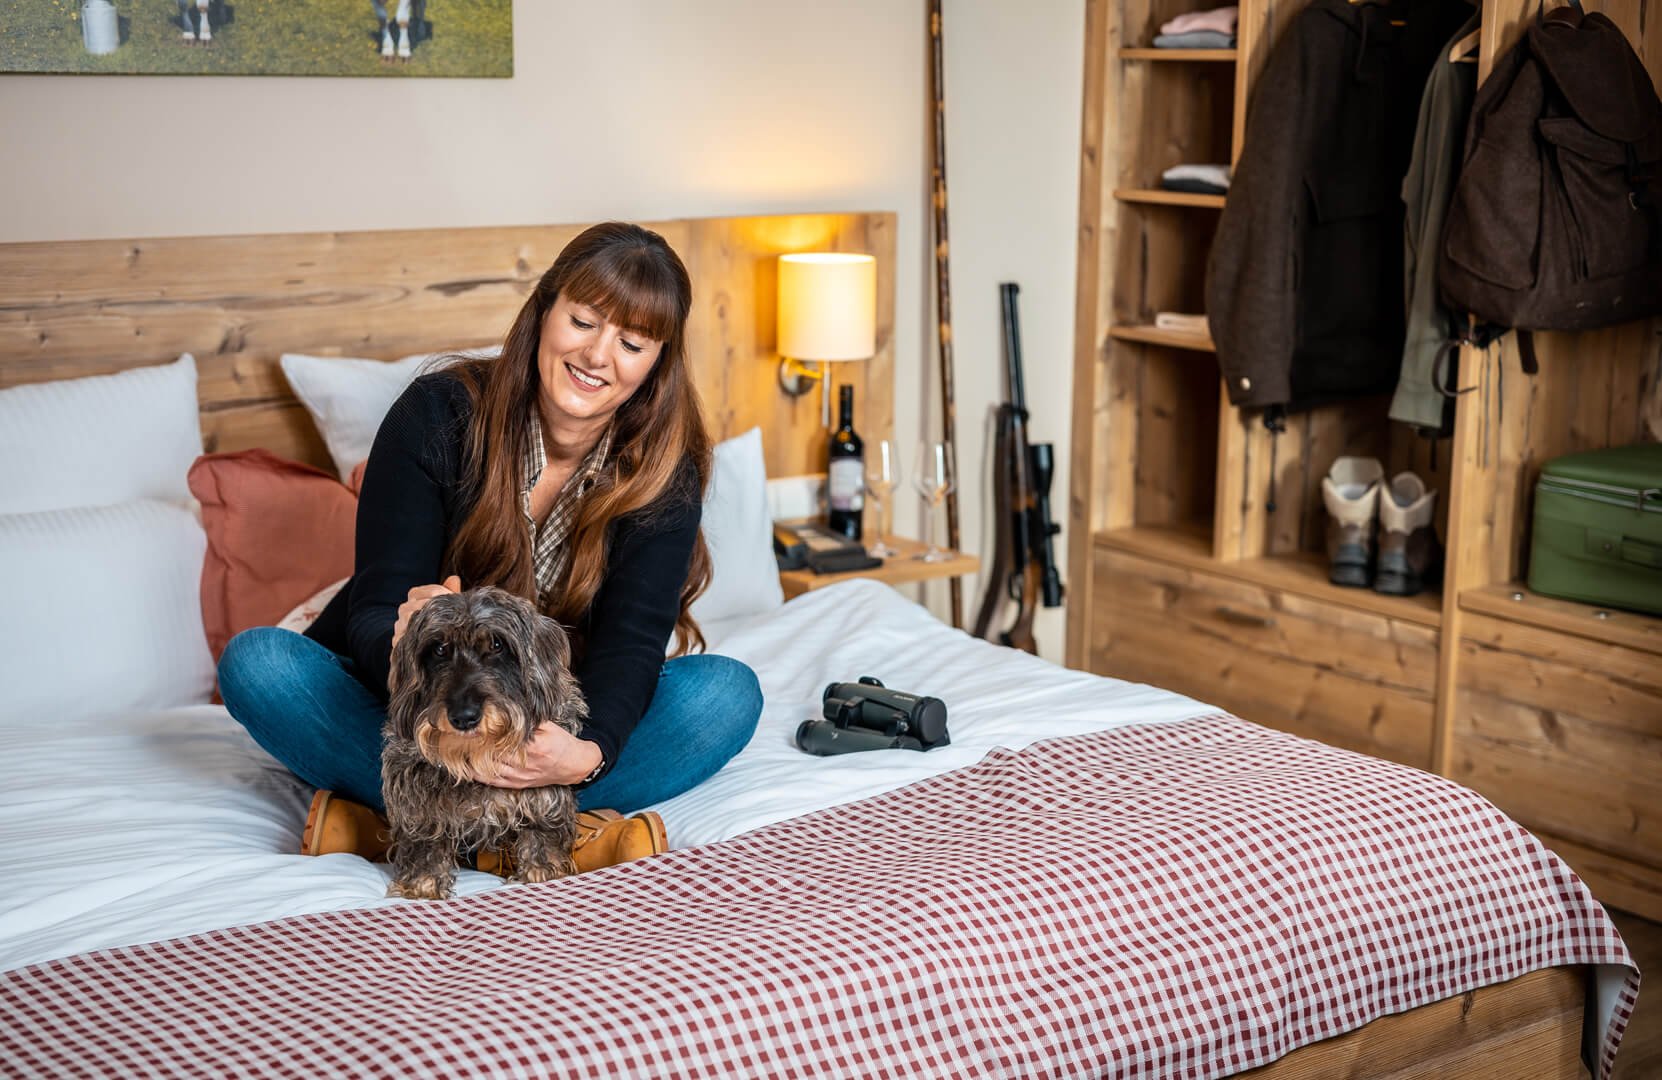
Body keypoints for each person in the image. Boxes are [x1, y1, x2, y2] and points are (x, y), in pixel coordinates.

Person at [218, 222, 764, 873]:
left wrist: (585, 755)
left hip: (552, 727)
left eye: (633, 342)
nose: (598, 356)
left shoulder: (663, 469)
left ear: (656, 365)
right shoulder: (437, 415)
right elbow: (372, 607)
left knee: (726, 694)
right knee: (260, 666)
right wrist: (401, 635)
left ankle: (395, 826)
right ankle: (538, 835)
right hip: (416, 716)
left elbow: (632, 646)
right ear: (544, 311)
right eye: (584, 321)